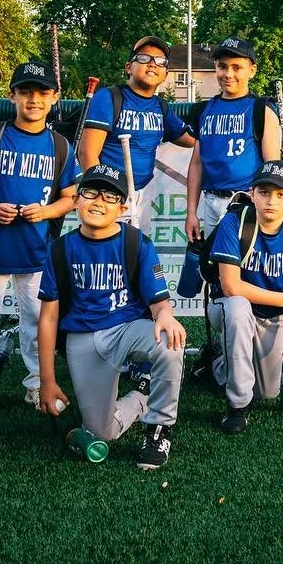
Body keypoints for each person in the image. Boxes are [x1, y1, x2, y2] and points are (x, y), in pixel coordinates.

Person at [36, 163, 186, 469]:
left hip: (127, 328)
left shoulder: (135, 243)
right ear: (76, 200)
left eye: (109, 196)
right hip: (82, 339)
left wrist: (166, 316)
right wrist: (47, 381)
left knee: (170, 341)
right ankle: (142, 394)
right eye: (91, 192)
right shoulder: (60, 250)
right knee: (102, 433)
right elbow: (49, 318)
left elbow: (158, 301)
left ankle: (158, 429)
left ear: (122, 207)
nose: (98, 201)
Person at [0, 60, 79, 406]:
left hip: (36, 250)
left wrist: (45, 211)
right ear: (11, 95)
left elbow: (70, 198)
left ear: (54, 98)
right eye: (25, 92)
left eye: (42, 93)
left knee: (36, 321)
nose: (34, 100)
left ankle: (37, 382)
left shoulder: (59, 146)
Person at [209, 158, 283, 433]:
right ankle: (238, 406)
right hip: (230, 309)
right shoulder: (234, 223)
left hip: (272, 317)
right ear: (252, 193)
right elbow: (231, 287)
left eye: (281, 194)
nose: (271, 201)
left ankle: (218, 362)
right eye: (264, 192)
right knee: (238, 309)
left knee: (268, 392)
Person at [79, 36, 194, 225]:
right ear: (128, 67)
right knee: (108, 251)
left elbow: (188, 139)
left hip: (143, 193)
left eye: (160, 61)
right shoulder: (109, 97)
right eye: (143, 58)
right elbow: (87, 152)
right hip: (110, 193)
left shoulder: (160, 106)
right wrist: (100, 195)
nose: (152, 64)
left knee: (136, 249)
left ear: (165, 74)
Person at [184, 38, 281, 251]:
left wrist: (263, 205)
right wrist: (191, 212)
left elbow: (272, 168)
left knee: (246, 268)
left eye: (237, 67)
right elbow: (197, 164)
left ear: (252, 70)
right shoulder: (203, 110)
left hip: (246, 202)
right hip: (211, 201)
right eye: (222, 66)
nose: (228, 74)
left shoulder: (260, 109)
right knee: (214, 269)